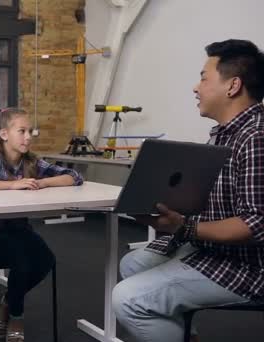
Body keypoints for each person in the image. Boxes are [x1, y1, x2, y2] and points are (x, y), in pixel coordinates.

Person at [112, 39, 264, 342]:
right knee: (132, 263)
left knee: (128, 299)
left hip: (249, 266)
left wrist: (184, 227)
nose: (196, 87)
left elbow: (256, 224)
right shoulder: (223, 136)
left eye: (204, 78)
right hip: (216, 249)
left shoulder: (255, 138)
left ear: (232, 86)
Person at [0, 107, 83, 342]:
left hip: (19, 229)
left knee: (47, 259)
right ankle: (16, 315)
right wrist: (11, 185)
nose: (28, 137)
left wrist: (43, 182)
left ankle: (7, 301)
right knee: (22, 258)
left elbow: (74, 176)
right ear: (4, 134)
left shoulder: (32, 161)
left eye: (30, 131)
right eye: (22, 131)